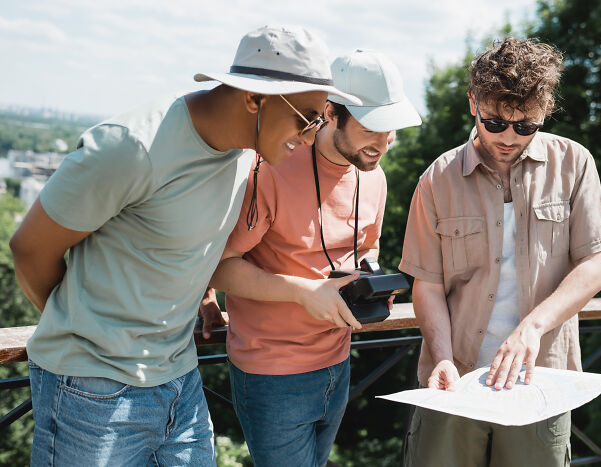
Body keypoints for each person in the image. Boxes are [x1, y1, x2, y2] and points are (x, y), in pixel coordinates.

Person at [9, 25, 360, 466]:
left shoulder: (249, 153)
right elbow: (29, 249)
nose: (310, 137)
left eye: (320, 120)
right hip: (92, 390)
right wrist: (80, 330)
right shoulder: (131, 146)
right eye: (306, 118)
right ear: (254, 98)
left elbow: (194, 235)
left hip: (182, 381)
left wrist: (206, 294)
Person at [399, 37, 601, 467]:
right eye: (495, 122)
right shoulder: (436, 179)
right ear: (472, 103)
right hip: (453, 382)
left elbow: (596, 266)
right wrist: (442, 358)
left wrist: (532, 328)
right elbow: (427, 284)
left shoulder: (574, 163)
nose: (508, 137)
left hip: (541, 382)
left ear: (544, 113)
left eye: (526, 126)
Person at [200, 49, 421, 466]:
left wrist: (369, 284)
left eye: (392, 128)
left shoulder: (374, 177)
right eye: (373, 126)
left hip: (338, 362)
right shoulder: (272, 165)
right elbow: (217, 264)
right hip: (272, 370)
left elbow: (367, 249)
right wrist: (303, 292)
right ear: (331, 112)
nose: (384, 143)